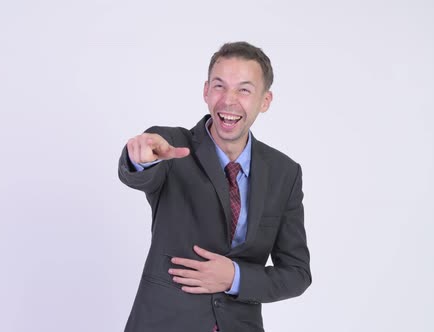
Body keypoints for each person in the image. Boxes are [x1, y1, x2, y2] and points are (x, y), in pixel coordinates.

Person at [118, 41, 311, 332]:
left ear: (265, 101)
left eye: (244, 90)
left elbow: (296, 274)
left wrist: (235, 277)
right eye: (219, 86)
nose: (229, 101)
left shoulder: (285, 173)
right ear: (206, 92)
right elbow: (140, 172)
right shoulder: (171, 147)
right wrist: (140, 160)